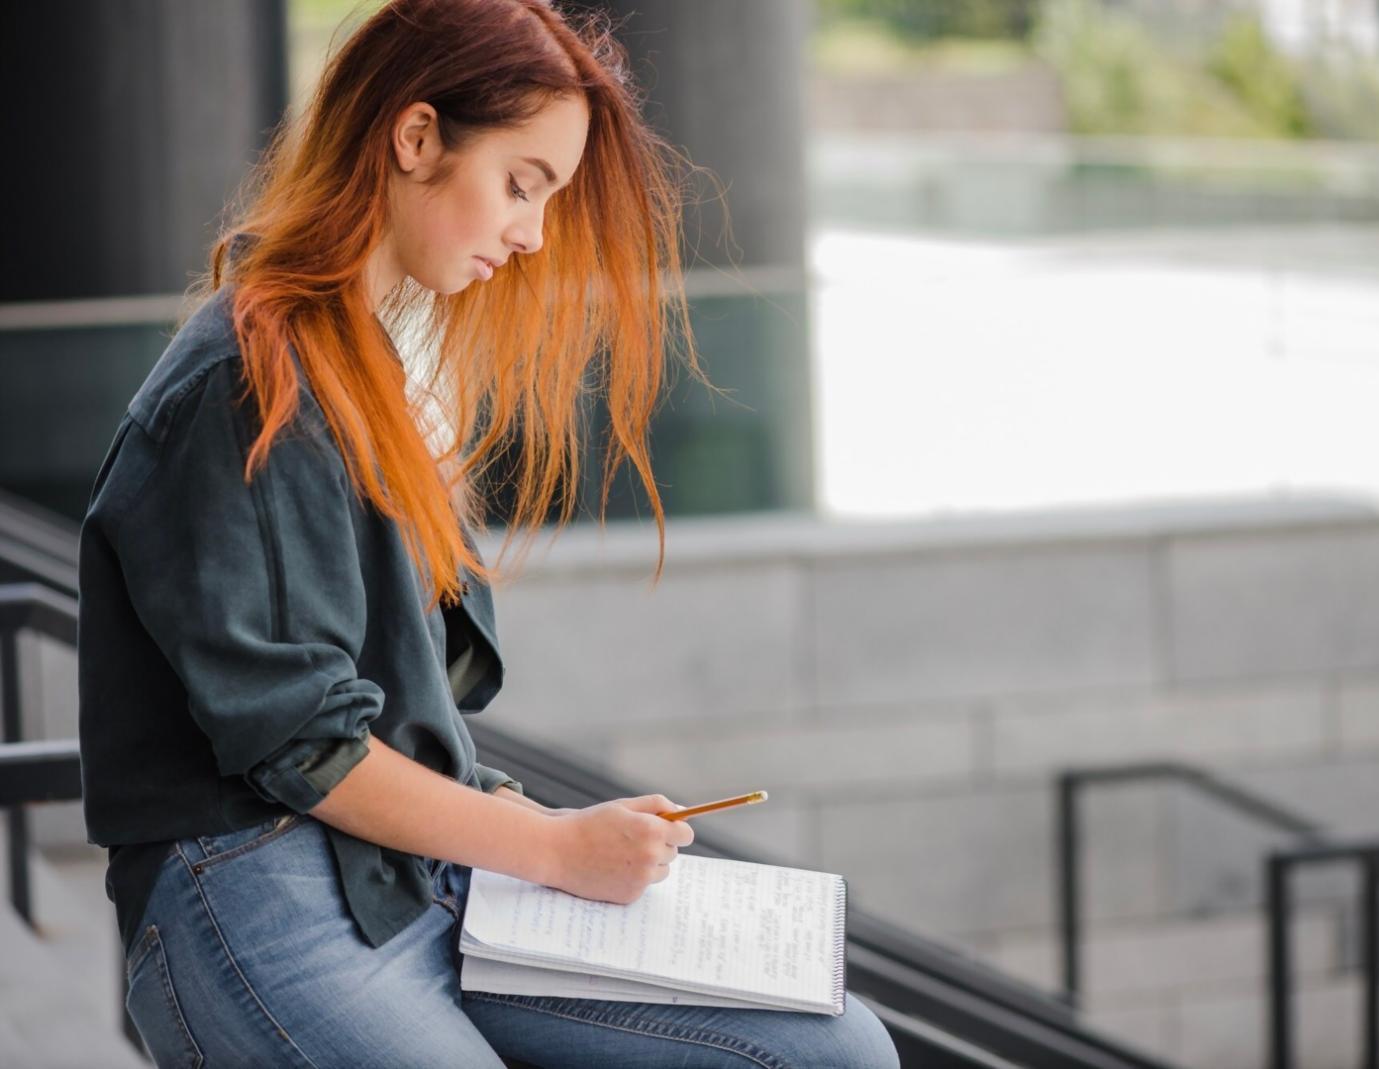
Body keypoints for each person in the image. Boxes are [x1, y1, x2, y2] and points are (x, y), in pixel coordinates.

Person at [75, 1, 900, 1065]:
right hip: (249, 884)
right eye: (521, 184)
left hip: (405, 873)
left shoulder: (371, 366)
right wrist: (554, 846)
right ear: (414, 138)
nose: (533, 235)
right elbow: (305, 749)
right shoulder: (252, 379)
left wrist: (543, 834)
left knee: (837, 1048)